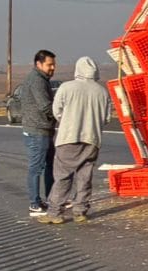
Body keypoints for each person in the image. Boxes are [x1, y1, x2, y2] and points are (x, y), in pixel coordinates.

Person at [40, 56, 112, 224]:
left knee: (63, 176)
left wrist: (67, 121)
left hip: (68, 137)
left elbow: (56, 111)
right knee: (84, 176)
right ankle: (80, 211)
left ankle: (55, 212)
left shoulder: (66, 87)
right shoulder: (102, 92)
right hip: (92, 138)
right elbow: (106, 118)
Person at [16, 49, 58, 216]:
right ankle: (34, 203)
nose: (53, 68)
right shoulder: (37, 81)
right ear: (38, 64)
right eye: (49, 64)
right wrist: (61, 115)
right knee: (37, 167)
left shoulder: (42, 79)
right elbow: (45, 106)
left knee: (49, 166)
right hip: (37, 131)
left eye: (54, 64)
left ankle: (51, 199)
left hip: (44, 130)